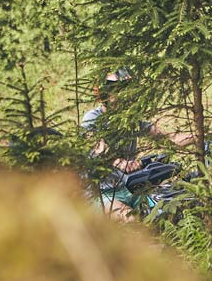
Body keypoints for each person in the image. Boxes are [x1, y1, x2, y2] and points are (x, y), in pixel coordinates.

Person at [81, 69, 192, 218]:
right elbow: (98, 147)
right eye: (117, 91)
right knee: (130, 220)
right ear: (104, 95)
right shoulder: (93, 118)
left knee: (171, 211)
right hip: (102, 193)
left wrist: (201, 135)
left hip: (132, 187)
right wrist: (119, 162)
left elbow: (169, 139)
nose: (123, 96)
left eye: (127, 91)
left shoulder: (131, 120)